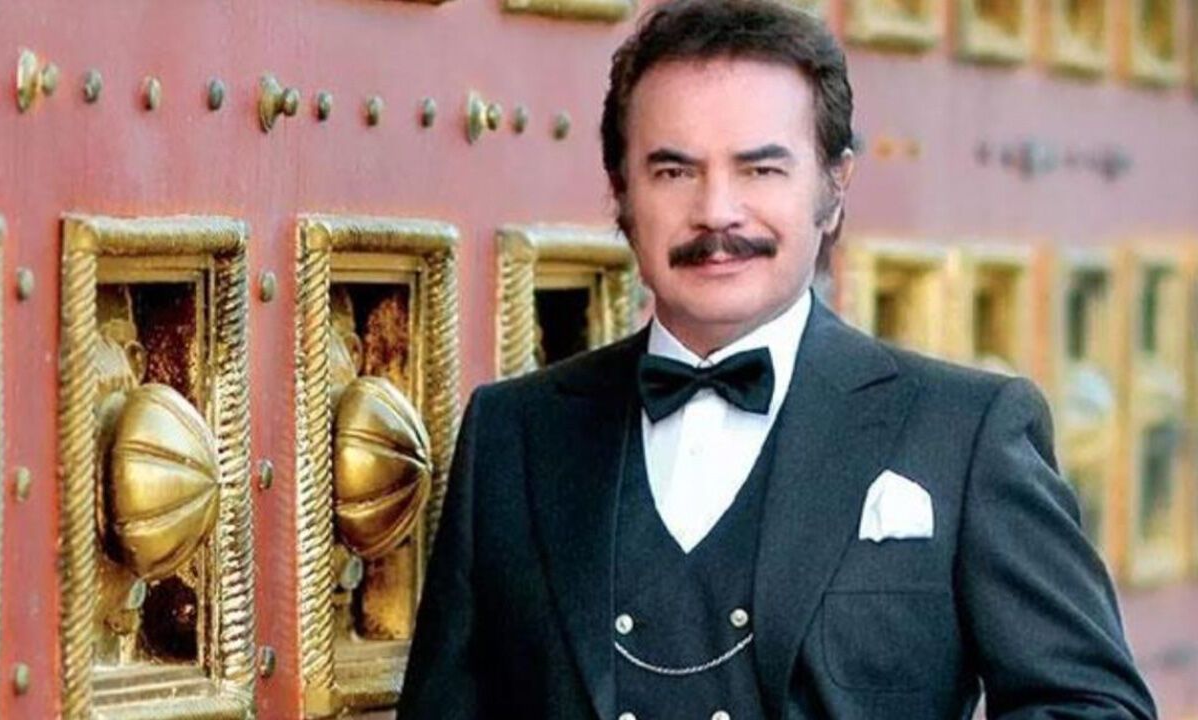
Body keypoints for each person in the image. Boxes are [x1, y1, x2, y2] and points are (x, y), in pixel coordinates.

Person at [397, 0, 1157, 717]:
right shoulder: (512, 435)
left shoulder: (965, 434)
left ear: (833, 188)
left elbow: (1094, 707)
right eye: (673, 171)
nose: (716, 212)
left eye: (761, 169)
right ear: (621, 192)